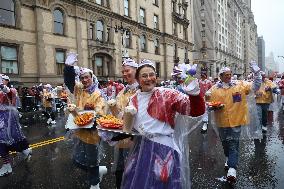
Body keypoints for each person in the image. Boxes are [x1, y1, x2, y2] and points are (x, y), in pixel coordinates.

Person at [121, 59, 205, 189]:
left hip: (164, 150)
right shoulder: (132, 100)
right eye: (144, 76)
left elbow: (195, 111)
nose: (149, 78)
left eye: (151, 75)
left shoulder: (168, 94)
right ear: (138, 79)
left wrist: (194, 94)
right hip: (141, 151)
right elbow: (127, 127)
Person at [206, 62, 261, 183]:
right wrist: (211, 106)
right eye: (226, 75)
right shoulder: (214, 89)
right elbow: (207, 102)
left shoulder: (240, 85)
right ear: (220, 76)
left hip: (236, 121)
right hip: (221, 122)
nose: (229, 76)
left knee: (233, 144)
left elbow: (255, 86)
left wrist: (257, 74)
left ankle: (232, 169)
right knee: (225, 144)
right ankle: (228, 158)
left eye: (230, 74)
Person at [64, 52, 107, 189]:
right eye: (82, 78)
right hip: (80, 128)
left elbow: (100, 112)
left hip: (92, 132)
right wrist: (68, 68)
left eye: (87, 77)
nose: (84, 80)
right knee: (78, 160)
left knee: (92, 160)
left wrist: (93, 115)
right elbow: (69, 82)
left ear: (92, 78)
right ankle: (98, 171)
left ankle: (95, 184)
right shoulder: (80, 89)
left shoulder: (98, 93)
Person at [107, 58, 138, 189]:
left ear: (136, 71)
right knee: (120, 168)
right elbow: (117, 114)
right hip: (121, 135)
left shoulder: (142, 90)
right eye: (123, 71)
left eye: (127, 71)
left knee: (134, 167)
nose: (124, 74)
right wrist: (112, 108)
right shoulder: (123, 91)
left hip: (136, 137)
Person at [0, 75, 32, 176]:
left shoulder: (12, 90)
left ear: (6, 81)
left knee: (11, 140)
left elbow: (9, 92)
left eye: (3, 80)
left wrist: (2, 87)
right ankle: (7, 164)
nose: (2, 81)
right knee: (3, 143)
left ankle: (24, 151)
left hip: (8, 119)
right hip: (2, 119)